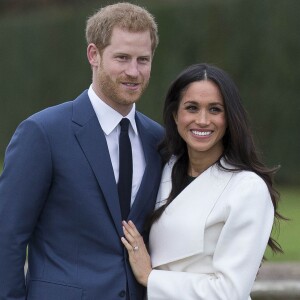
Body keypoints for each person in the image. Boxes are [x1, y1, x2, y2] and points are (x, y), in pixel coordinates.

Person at [0, 3, 164, 300]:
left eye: (143, 59)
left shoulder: (158, 140)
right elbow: (6, 237)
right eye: (122, 58)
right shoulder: (43, 133)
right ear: (94, 55)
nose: (133, 71)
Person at [121, 63, 283, 300]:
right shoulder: (161, 169)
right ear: (176, 115)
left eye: (215, 109)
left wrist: (151, 278)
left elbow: (230, 292)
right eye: (192, 108)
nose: (203, 120)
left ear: (229, 118)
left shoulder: (248, 189)